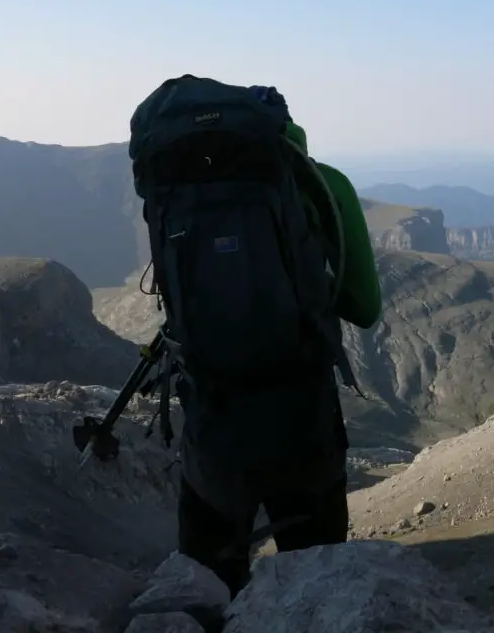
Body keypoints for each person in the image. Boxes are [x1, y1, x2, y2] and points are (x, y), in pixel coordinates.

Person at [128, 76, 381, 596]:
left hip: (214, 426)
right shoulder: (324, 182)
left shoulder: (178, 184)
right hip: (302, 419)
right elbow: (365, 307)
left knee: (207, 589)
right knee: (317, 588)